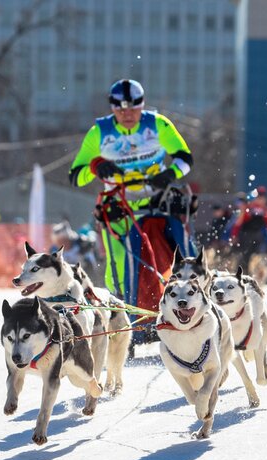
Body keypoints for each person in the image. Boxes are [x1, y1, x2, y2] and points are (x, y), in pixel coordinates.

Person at [68, 79, 195, 309]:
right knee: (118, 265)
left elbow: (185, 158)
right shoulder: (99, 133)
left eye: (133, 108)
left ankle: (192, 297)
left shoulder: (157, 125)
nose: (127, 114)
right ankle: (124, 309)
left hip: (158, 203)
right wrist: (96, 166)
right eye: (120, 109)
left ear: (142, 105)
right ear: (112, 107)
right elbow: (75, 176)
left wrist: (170, 174)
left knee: (181, 253)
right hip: (119, 209)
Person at [230, 186, 267, 268]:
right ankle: (243, 269)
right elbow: (238, 223)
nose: (260, 200)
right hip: (246, 236)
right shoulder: (249, 208)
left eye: (262, 198)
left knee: (256, 256)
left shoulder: (264, 210)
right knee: (246, 255)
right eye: (258, 198)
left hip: (257, 237)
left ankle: (252, 269)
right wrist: (234, 235)